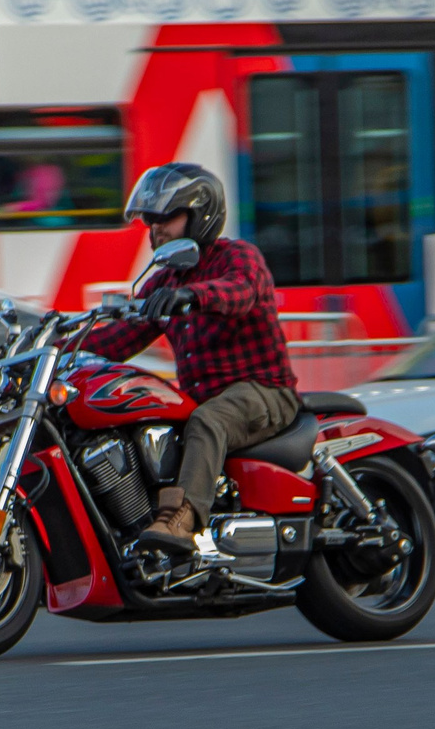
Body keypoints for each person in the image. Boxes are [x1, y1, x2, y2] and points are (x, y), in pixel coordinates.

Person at [80, 164, 298, 557]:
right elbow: (121, 336)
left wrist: (195, 296)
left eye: (166, 217)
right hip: (205, 398)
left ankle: (181, 519)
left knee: (208, 420)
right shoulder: (164, 282)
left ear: (200, 216)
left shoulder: (237, 257)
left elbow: (240, 291)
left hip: (263, 392)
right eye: (150, 220)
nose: (155, 229)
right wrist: (57, 344)